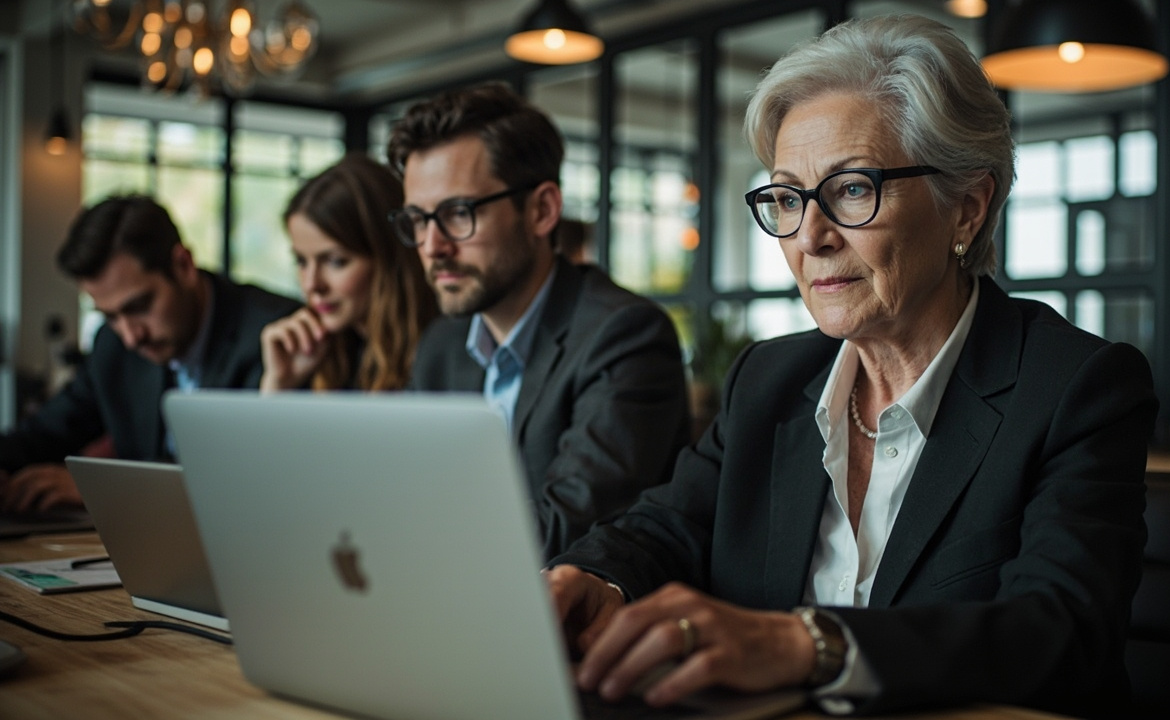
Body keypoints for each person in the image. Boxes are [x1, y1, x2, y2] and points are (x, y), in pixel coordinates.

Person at [546, 14, 1158, 719]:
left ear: (966, 208)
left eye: (853, 189)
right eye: (785, 197)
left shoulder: (1076, 386)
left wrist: (811, 645)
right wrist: (590, 577)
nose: (810, 235)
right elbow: (666, 527)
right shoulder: (768, 382)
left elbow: (1061, 633)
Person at [386, 82, 691, 560]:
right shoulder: (442, 345)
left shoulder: (624, 335)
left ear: (542, 210)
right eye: (419, 220)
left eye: (458, 213)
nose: (432, 246)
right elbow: (397, 499)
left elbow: (565, 535)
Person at [0, 196, 298, 513]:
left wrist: (105, 491)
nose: (131, 336)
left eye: (139, 307)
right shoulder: (111, 346)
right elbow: (47, 431)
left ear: (183, 265)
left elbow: (240, 475)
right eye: (110, 316)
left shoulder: (272, 338)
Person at [259, 154, 436, 392]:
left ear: (388, 259)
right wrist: (278, 385)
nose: (312, 285)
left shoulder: (439, 357)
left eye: (335, 262)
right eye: (301, 261)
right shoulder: (323, 356)